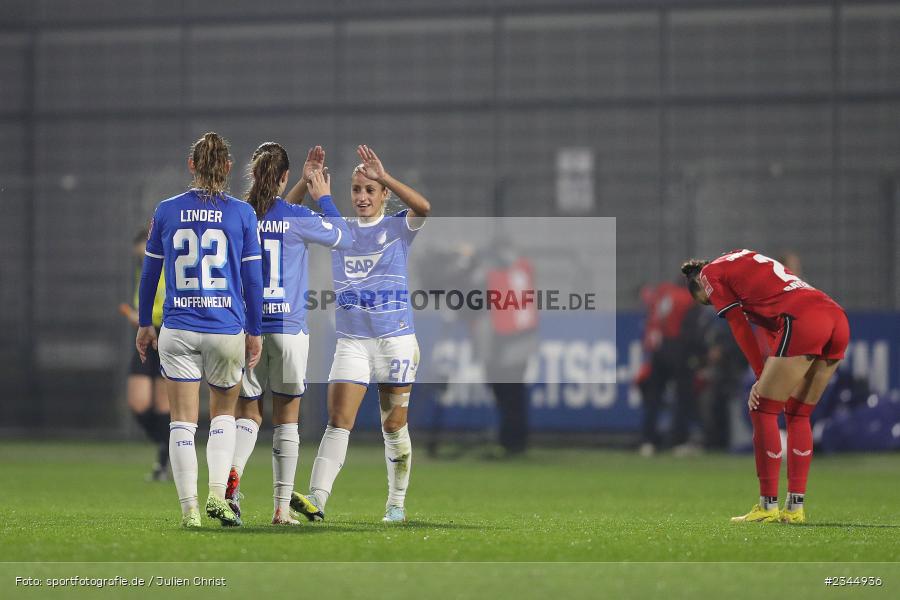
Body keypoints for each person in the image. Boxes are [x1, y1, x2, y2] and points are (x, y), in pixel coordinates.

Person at [290, 145, 431, 524]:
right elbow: (281, 217)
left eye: (370, 190)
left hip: (396, 340)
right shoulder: (339, 230)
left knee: (393, 424)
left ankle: (396, 504)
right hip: (352, 341)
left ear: (384, 194)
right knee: (338, 420)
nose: (362, 197)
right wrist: (305, 183)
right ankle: (317, 499)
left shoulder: (397, 228)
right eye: (356, 190)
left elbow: (425, 208)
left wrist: (385, 175)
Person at [136, 132, 264, 529]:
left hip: (178, 328)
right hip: (225, 327)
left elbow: (149, 273)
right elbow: (253, 280)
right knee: (224, 415)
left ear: (191, 165)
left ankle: (190, 510)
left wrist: (144, 323)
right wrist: (254, 330)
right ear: (227, 167)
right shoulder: (242, 213)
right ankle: (216, 498)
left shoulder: (167, 210)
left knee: (182, 422)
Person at [226, 142, 353, 525]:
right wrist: (325, 197)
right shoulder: (298, 217)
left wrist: (297, 185)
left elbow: (270, 214)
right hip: (289, 329)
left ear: (252, 173)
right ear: (284, 177)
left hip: (248, 328)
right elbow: (345, 238)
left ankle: (230, 486)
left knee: (247, 414)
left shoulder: (239, 215)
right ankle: (281, 510)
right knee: (288, 419)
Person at [681, 249, 849, 524]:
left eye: (709, 301)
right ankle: (794, 509)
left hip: (803, 319)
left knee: (762, 408)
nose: (715, 304)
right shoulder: (740, 258)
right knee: (798, 413)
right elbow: (775, 329)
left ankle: (767, 506)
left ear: (701, 284)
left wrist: (761, 374)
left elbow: (738, 326)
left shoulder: (708, 275)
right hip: (835, 316)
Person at [119, 227, 170, 481]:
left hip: (167, 334)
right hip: (146, 334)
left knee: (164, 405)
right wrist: (138, 318)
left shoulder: (169, 261)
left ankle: (164, 463)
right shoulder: (145, 267)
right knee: (138, 402)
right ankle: (169, 447)